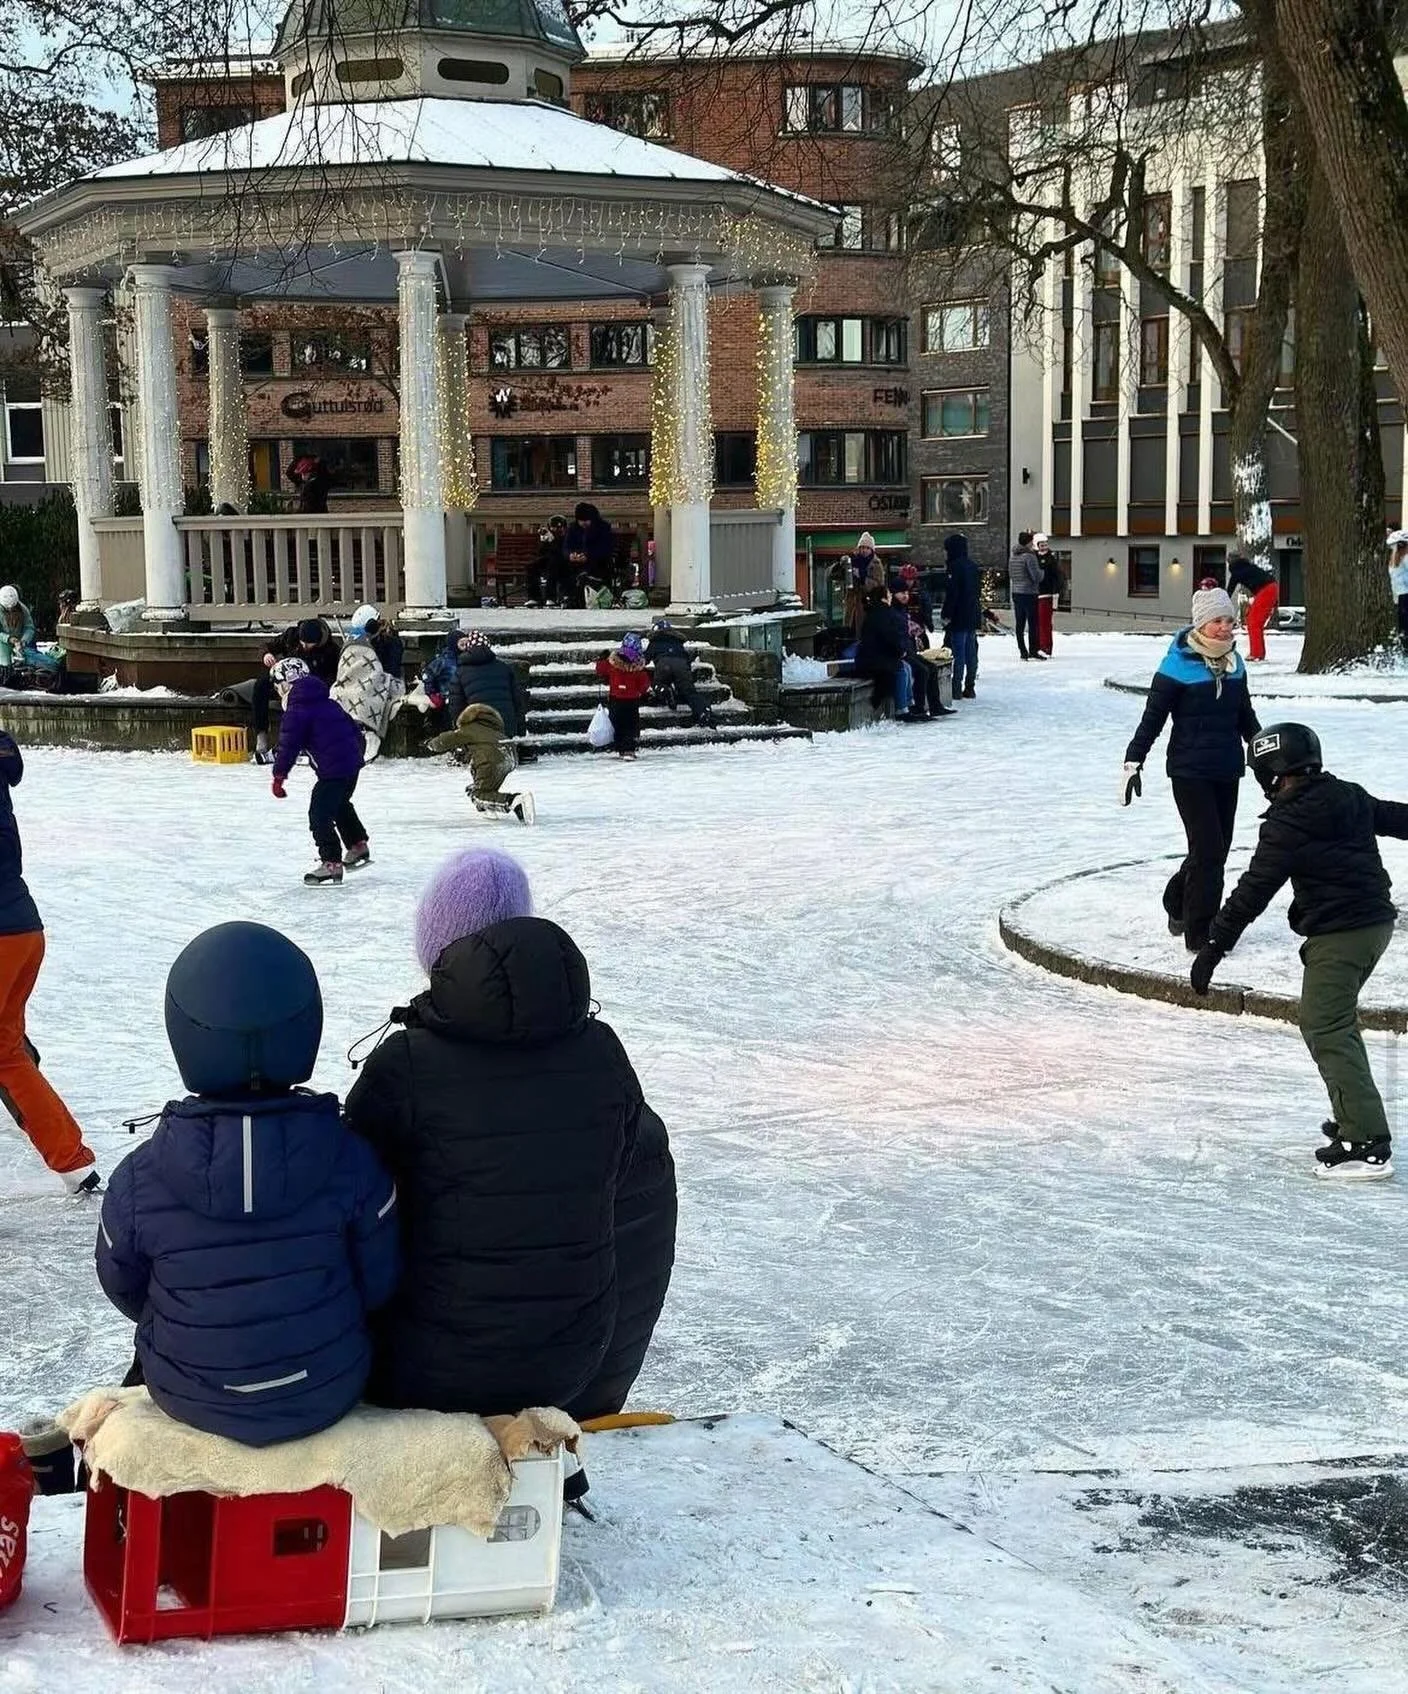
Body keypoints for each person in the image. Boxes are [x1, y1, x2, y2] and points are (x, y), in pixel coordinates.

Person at [343, 849, 674, 1419]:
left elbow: (347, 1201)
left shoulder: (406, 1067)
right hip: (573, 1367)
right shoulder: (604, 1057)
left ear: (437, 950)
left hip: (426, 1371)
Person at [95, 922, 399, 1443]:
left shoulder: (139, 1179)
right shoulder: (353, 1160)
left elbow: (123, 1285)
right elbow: (380, 1281)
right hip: (326, 1388)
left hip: (188, 1394)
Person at [1192, 724, 1408, 1180]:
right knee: (1334, 1022)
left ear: (1272, 774)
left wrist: (1215, 945)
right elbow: (1396, 817)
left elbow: (1254, 890)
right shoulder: (1347, 794)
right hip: (1374, 925)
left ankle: (1368, 1141)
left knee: (1325, 1024)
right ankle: (1354, 1117)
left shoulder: (1287, 824)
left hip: (1341, 934)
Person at [1122, 580, 1261, 950]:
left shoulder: (1234, 662)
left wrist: (1265, 753)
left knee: (1215, 848)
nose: (1225, 628)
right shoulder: (1177, 665)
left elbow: (1244, 715)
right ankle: (1201, 931)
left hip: (1226, 766)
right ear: (1200, 623)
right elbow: (1152, 718)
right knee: (1209, 850)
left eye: (1229, 621)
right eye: (1217, 621)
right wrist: (1133, 760)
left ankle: (1176, 900)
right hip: (1189, 770)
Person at [0, 732, 99, 1195]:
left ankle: (70, 1156)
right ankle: (72, 1160)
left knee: (6, 1054)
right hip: (23, 929)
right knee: (8, 1050)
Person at [270, 656, 369, 885]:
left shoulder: (297, 710)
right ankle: (357, 844)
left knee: (319, 815)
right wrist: (356, 757)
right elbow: (354, 729)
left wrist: (279, 776)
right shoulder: (328, 702)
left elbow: (288, 747)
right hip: (351, 766)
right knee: (340, 804)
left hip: (333, 771)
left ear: (286, 685)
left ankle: (331, 863)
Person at [427, 704, 534, 824]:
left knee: (479, 794)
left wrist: (431, 743)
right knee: (486, 788)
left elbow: (446, 740)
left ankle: (513, 801)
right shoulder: (494, 730)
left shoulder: (470, 729)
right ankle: (488, 808)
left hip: (490, 760)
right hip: (510, 759)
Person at [331, 604, 405, 762]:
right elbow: (348, 667)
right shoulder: (356, 641)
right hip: (352, 681)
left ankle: (368, 731)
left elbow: (389, 669)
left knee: (363, 695)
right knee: (336, 693)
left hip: (382, 680)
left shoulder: (391, 641)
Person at [447, 629, 528, 739]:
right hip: (506, 727)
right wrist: (520, 731)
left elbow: (455, 707)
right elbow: (518, 702)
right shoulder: (504, 668)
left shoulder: (460, 673)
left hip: (478, 729)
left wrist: (461, 730)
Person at [890, 579, 953, 719]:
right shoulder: (893, 611)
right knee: (922, 670)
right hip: (900, 652)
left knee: (931, 667)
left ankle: (935, 706)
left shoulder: (901, 610)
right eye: (901, 593)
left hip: (908, 649)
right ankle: (918, 707)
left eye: (906, 592)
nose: (905, 596)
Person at [854, 585, 913, 719]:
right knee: (901, 669)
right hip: (875, 660)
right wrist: (900, 651)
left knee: (906, 667)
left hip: (873, 657)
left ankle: (909, 704)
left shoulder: (875, 612)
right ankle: (902, 708)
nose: (891, 596)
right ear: (883, 598)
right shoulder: (884, 614)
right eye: (889, 594)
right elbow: (890, 637)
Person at [646, 619, 715, 728]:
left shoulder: (655, 642)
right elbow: (686, 658)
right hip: (682, 665)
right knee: (689, 692)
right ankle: (703, 710)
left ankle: (664, 690)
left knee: (657, 683)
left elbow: (645, 659)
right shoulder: (677, 642)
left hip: (664, 664)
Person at [595, 632, 652, 757]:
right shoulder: (638, 667)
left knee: (617, 724)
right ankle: (629, 750)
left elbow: (601, 670)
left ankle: (620, 748)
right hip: (632, 701)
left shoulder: (613, 663)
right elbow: (644, 685)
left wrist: (601, 659)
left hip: (615, 699)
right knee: (630, 726)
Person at [940, 533, 982, 700]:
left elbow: (952, 594)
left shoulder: (954, 567)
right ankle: (970, 686)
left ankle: (956, 688)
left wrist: (946, 614)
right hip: (972, 613)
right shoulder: (973, 566)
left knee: (958, 653)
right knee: (971, 651)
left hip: (959, 615)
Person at [1227, 553, 1280, 663]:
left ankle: (1256, 653)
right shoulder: (1248, 567)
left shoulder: (1236, 571)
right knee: (1256, 622)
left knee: (1253, 622)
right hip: (1271, 588)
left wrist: (1222, 602)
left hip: (1265, 590)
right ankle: (1259, 653)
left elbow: (1229, 590)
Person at [0, 587, 57, 679]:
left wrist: (24, 640)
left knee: (50, 664)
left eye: (13, 608)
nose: (10, 610)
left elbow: (29, 627)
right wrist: (8, 638)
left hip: (20, 644)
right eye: (8, 609)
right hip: (3, 644)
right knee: (5, 665)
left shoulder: (23, 609)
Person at [565, 502, 616, 602]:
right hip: (575, 563)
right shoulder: (573, 528)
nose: (584, 523)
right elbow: (566, 546)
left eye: (587, 520)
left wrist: (588, 556)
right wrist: (570, 555)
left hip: (597, 562)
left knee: (593, 569)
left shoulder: (603, 528)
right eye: (581, 520)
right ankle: (569, 598)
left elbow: (606, 548)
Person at [1008, 532, 1044, 660]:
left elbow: (1011, 575)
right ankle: (1033, 650)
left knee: (1020, 623)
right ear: (1029, 542)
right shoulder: (1029, 557)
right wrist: (1042, 572)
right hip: (1029, 593)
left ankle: (1023, 651)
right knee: (1033, 623)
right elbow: (1036, 576)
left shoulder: (1013, 557)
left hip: (1016, 592)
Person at [1035, 534, 1062, 657]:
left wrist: (1055, 592)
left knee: (1045, 622)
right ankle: (1040, 645)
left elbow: (1057, 577)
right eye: (1041, 545)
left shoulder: (1051, 559)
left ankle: (1046, 646)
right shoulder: (1034, 557)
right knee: (1038, 622)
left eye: (1045, 545)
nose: (1044, 547)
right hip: (1037, 594)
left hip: (1047, 594)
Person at [533, 515, 569, 605]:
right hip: (547, 562)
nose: (556, 530)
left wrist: (553, 541)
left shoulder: (567, 537)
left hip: (563, 564)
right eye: (554, 528)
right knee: (532, 566)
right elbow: (540, 553)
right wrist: (543, 541)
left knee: (553, 565)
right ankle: (534, 597)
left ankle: (551, 597)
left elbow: (561, 553)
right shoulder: (547, 536)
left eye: (559, 528)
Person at [1388, 530, 1408, 651]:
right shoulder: (1405, 558)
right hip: (1406, 595)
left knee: (1403, 627)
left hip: (1401, 597)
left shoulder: (1394, 560)